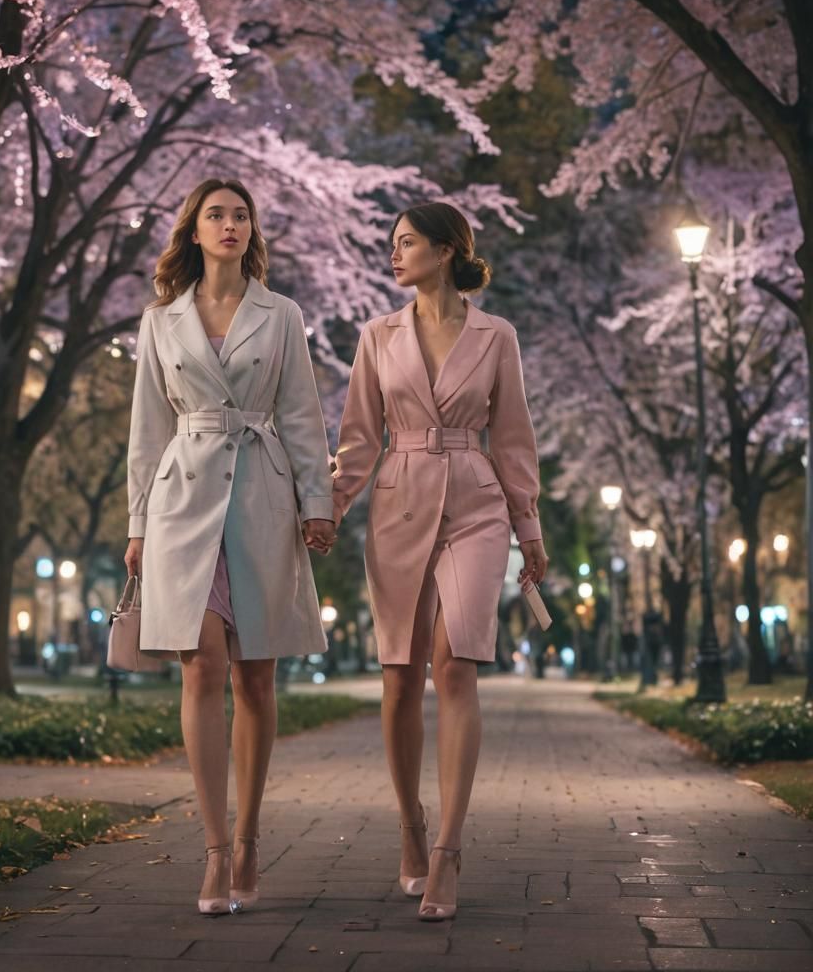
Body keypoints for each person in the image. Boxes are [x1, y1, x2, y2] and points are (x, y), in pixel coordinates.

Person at [124, 178, 336, 916]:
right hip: (183, 501)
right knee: (200, 668)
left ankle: (250, 839)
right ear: (194, 229)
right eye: (217, 214)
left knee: (255, 680)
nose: (231, 224)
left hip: (261, 498)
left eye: (241, 214)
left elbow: (304, 415)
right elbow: (148, 430)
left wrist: (319, 506)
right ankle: (215, 851)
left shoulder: (281, 315)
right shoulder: (162, 320)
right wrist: (138, 524)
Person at [332, 202, 548, 921]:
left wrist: (530, 525)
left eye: (408, 242)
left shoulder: (496, 336)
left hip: (477, 505)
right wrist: (327, 509)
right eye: (393, 243)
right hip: (396, 501)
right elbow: (360, 436)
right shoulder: (377, 335)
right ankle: (411, 828)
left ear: (449, 249)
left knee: (455, 665)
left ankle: (450, 852)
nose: (395, 255)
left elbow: (512, 435)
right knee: (399, 676)